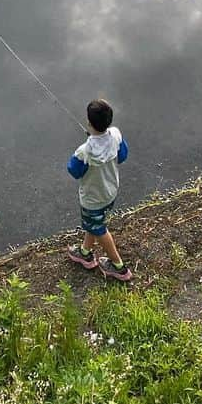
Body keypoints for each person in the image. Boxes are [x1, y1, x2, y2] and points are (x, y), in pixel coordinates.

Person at [65, 98, 133, 282]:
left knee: (99, 228)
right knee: (93, 224)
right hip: (110, 192)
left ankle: (119, 267)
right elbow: (122, 156)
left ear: (89, 123)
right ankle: (84, 253)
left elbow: (74, 171)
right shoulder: (116, 135)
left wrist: (91, 143)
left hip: (92, 199)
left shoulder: (84, 151)